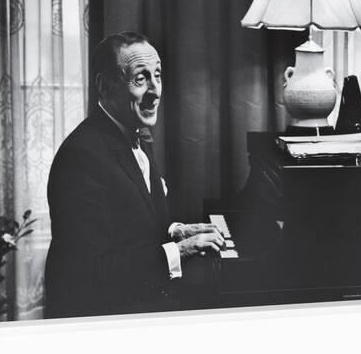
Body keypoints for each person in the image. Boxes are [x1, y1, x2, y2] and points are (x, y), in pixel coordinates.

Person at [44, 32, 225, 319]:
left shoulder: (131, 130)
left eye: (158, 75)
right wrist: (182, 250)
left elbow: (127, 223)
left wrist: (176, 231)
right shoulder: (80, 158)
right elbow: (94, 272)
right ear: (105, 86)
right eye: (141, 79)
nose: (156, 90)